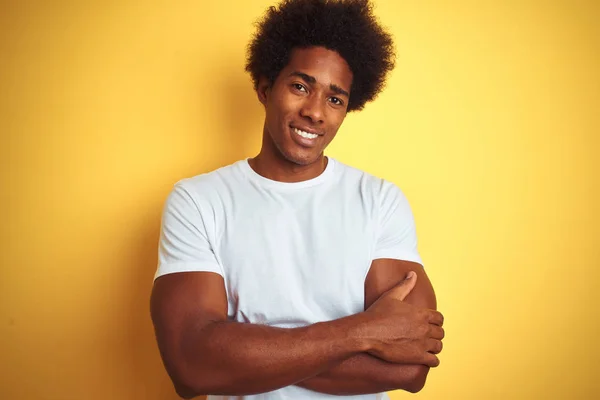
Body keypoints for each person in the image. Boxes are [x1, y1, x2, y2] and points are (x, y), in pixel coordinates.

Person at [150, 0, 445, 399]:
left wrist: (247, 354)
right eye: (301, 86)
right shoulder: (199, 201)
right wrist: (363, 332)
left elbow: (412, 368)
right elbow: (192, 366)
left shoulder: (379, 201)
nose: (315, 113)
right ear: (265, 87)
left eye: (335, 99)